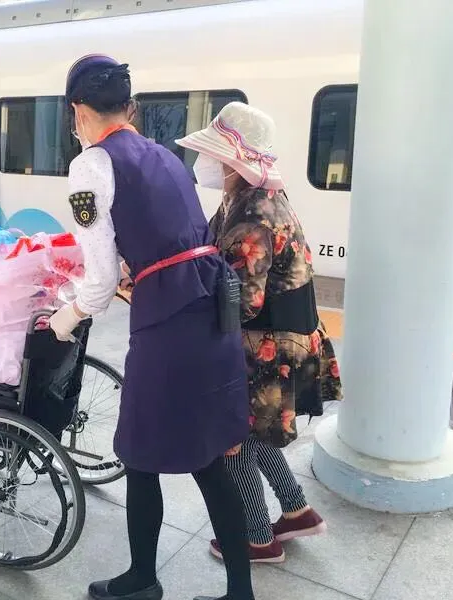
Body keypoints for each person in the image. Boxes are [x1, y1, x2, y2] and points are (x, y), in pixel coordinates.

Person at [48, 55, 255, 600]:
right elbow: (166, 237)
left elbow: (98, 285)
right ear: (131, 107)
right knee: (209, 460)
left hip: (170, 326)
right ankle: (240, 592)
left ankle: (142, 579)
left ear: (78, 111)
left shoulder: (91, 166)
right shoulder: (163, 155)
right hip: (213, 311)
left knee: (140, 455)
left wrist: (63, 320)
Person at [175, 102, 344, 563]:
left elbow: (242, 301)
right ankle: (297, 511)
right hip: (285, 335)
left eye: (213, 154)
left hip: (265, 345)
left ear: (234, 159)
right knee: (258, 434)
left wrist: (185, 307)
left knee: (235, 440)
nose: (205, 163)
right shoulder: (257, 194)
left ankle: (256, 538)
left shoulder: (251, 213)